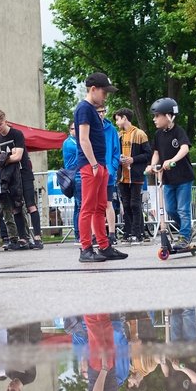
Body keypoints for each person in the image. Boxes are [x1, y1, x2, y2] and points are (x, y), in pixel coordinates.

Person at [74, 72, 128, 262]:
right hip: (91, 165)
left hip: (99, 165)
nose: (105, 96)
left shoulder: (92, 110)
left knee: (99, 206)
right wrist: (94, 163)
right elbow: (83, 138)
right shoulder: (84, 109)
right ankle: (86, 249)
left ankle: (104, 246)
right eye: (104, 92)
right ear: (93, 89)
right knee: (88, 207)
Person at [147, 97, 194, 250]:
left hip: (183, 177)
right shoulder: (158, 134)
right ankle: (187, 231)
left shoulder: (178, 131)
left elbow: (184, 148)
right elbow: (156, 153)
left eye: (157, 116)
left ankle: (184, 236)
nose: (154, 119)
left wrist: (172, 160)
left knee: (183, 209)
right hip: (168, 179)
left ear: (168, 115)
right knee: (171, 210)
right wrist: (152, 165)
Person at [0, 109, 30, 251]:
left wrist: (4, 158)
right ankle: (12, 238)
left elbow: (18, 156)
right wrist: (7, 157)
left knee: (20, 207)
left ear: (5, 121)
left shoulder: (16, 134)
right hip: (4, 177)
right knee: (6, 210)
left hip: (19, 175)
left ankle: (25, 237)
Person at [114, 108, 151, 244]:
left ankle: (138, 233)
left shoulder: (140, 134)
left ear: (124, 118)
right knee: (126, 205)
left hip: (135, 174)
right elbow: (113, 153)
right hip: (122, 175)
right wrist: (119, 158)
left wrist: (133, 159)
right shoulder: (118, 135)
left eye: (118, 119)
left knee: (135, 204)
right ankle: (128, 232)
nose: (116, 122)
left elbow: (148, 154)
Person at [98, 106, 121, 245]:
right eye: (98, 111)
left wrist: (112, 168)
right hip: (94, 172)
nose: (101, 114)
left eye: (103, 111)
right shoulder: (90, 128)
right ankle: (96, 234)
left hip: (108, 173)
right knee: (95, 205)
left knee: (108, 203)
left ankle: (112, 233)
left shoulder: (111, 129)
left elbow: (116, 151)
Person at [62, 120, 82, 241]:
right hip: (75, 176)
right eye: (73, 129)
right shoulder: (69, 143)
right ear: (70, 130)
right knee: (80, 206)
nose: (76, 131)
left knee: (78, 206)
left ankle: (78, 233)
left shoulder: (77, 141)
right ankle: (79, 234)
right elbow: (81, 153)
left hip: (78, 175)